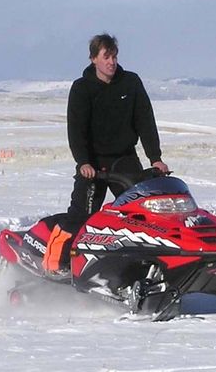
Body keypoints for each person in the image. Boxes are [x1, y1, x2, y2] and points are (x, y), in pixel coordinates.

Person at [43, 33, 170, 273]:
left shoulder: (130, 82)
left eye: (114, 56)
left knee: (141, 215)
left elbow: (145, 122)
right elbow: (76, 129)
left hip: (124, 158)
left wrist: (155, 158)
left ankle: (140, 268)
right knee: (81, 215)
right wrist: (83, 162)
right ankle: (54, 265)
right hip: (93, 162)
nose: (111, 62)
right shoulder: (82, 88)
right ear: (94, 59)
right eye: (106, 56)